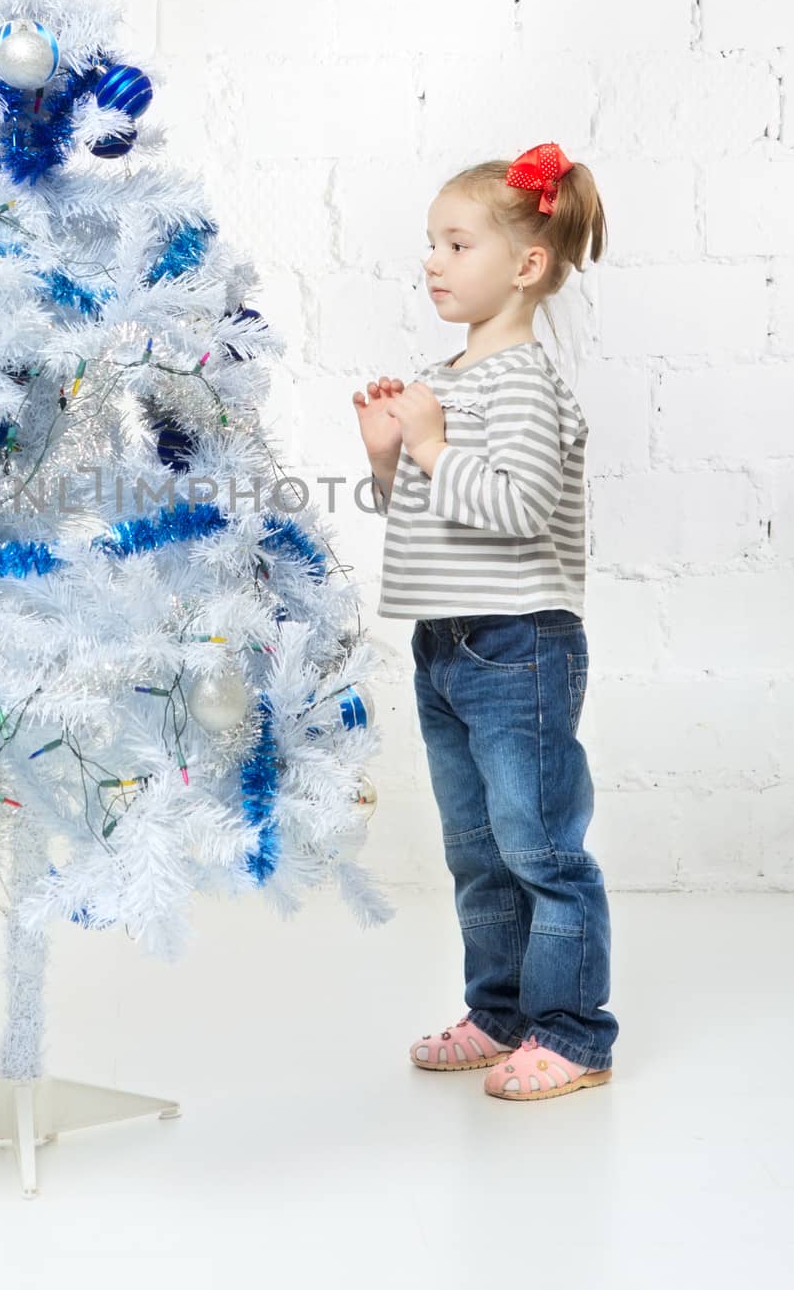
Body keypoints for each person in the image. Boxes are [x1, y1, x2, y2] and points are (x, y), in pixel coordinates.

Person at [351, 142, 617, 1102]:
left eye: (456, 243)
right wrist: (389, 458)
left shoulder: (524, 383)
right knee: (475, 848)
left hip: (518, 644)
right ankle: (499, 1014)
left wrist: (427, 445)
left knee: (540, 845)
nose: (433, 261)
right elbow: (423, 515)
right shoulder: (447, 375)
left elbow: (517, 508)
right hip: (444, 642)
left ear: (526, 265)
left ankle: (573, 1031)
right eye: (431, 243)